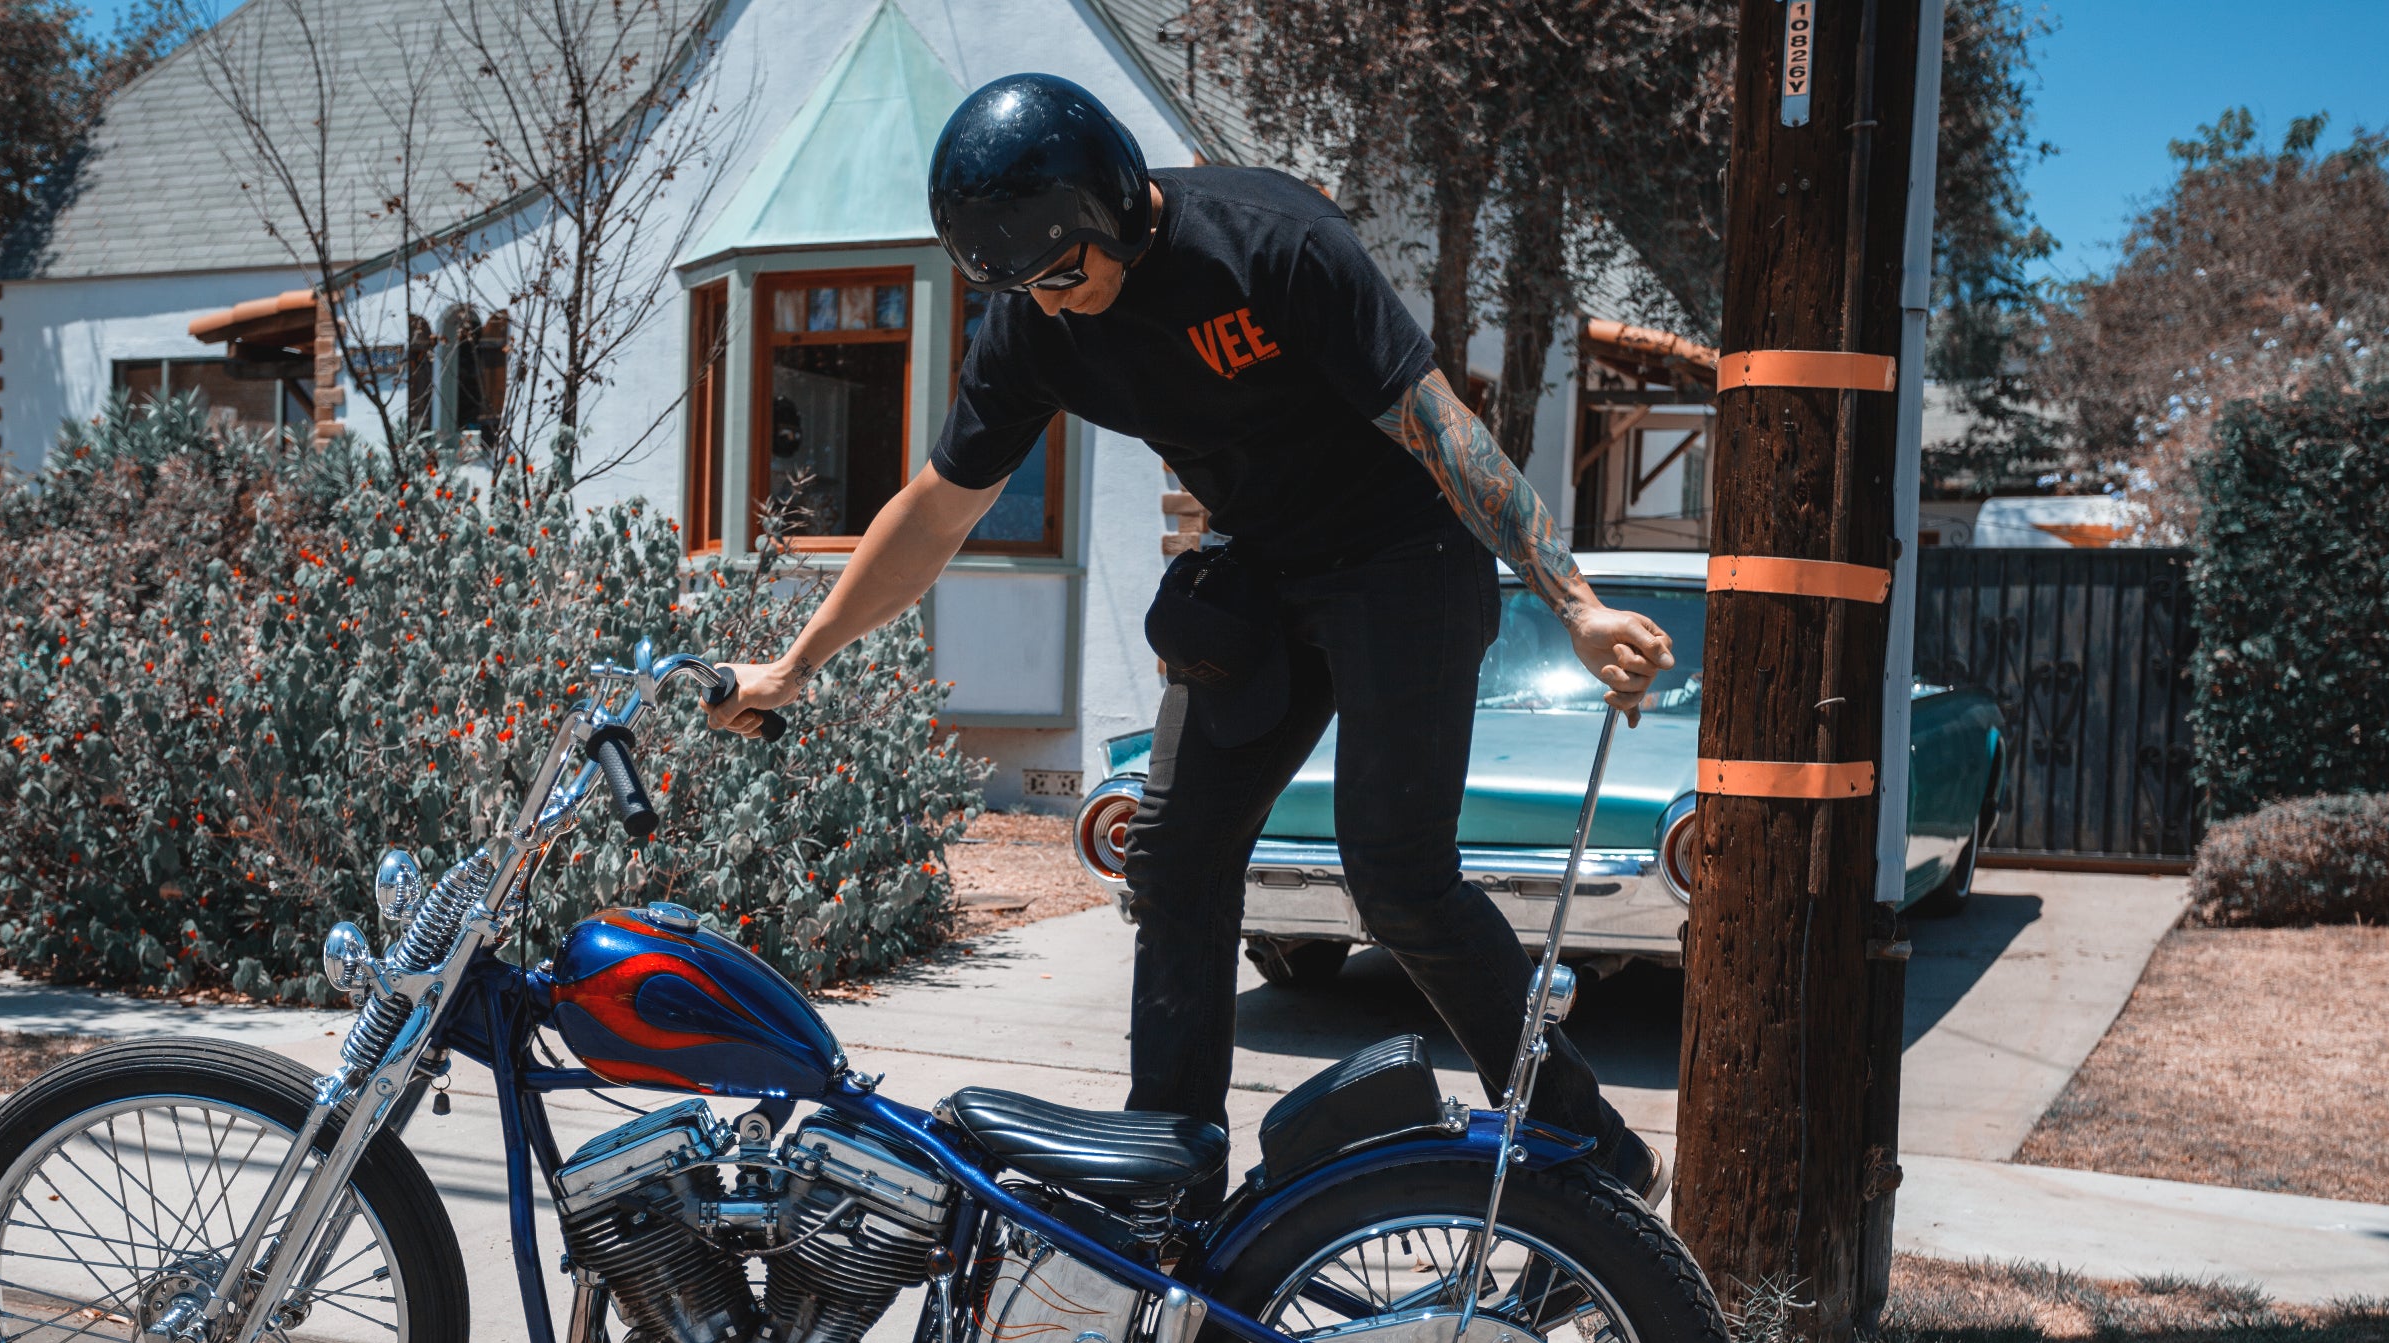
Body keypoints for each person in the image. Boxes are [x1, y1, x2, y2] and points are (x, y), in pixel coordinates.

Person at [713, 72, 1675, 1199]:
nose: (1055, 302)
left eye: (1066, 271)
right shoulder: (1033, 321)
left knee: (1398, 875)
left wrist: (1573, 600)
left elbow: (1441, 427)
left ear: (1115, 206)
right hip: (1260, 565)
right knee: (1172, 858)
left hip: (1401, 561)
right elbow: (939, 507)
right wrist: (795, 662)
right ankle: (1168, 1178)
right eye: (1022, 284)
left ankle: (1592, 1150)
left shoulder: (1275, 242)